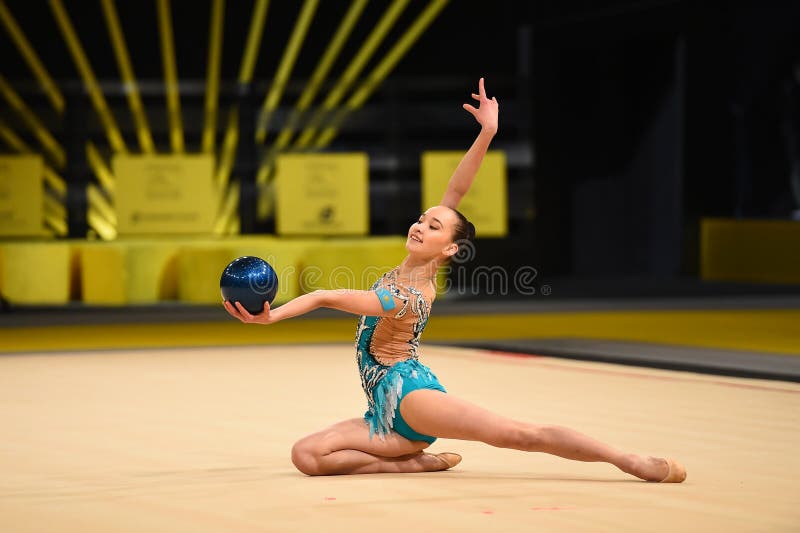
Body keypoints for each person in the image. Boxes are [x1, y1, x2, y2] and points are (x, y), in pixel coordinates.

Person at [224, 78, 686, 483]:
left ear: (449, 250)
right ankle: (411, 465)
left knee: (517, 434)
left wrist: (274, 316)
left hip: (411, 397)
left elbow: (328, 295)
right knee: (306, 455)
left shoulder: (405, 294)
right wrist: (487, 133)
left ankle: (630, 460)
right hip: (381, 408)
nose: (421, 225)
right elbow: (456, 193)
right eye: (422, 219)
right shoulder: (414, 267)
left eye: (433, 227)